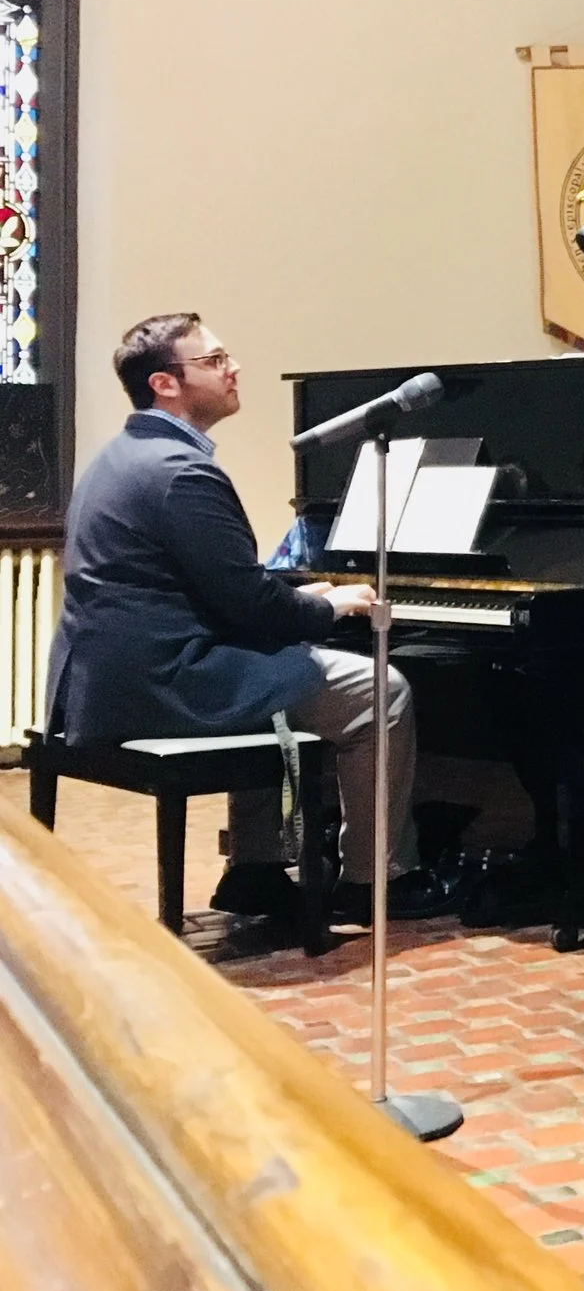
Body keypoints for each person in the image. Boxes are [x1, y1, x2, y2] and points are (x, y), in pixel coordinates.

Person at [46, 314, 460, 926]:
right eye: (214, 361)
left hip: (104, 679)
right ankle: (374, 879)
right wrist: (325, 606)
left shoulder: (124, 456)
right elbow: (249, 606)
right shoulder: (183, 472)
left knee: (270, 668)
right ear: (165, 383)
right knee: (381, 690)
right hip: (163, 683)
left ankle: (256, 869)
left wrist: (299, 597)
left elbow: (214, 589)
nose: (233, 367)